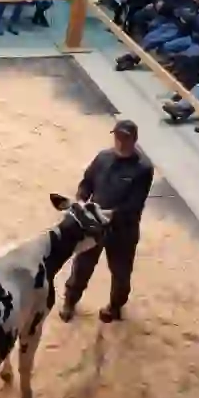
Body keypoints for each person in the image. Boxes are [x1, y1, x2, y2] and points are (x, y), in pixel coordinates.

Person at [61, 120, 153, 323]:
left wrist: (109, 214)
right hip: (95, 226)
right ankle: (70, 300)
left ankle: (115, 306)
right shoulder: (103, 158)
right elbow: (87, 182)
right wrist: (82, 199)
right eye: (118, 138)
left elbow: (134, 204)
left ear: (134, 140)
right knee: (82, 266)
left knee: (121, 273)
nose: (121, 143)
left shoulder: (143, 169)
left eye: (126, 139)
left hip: (123, 231)